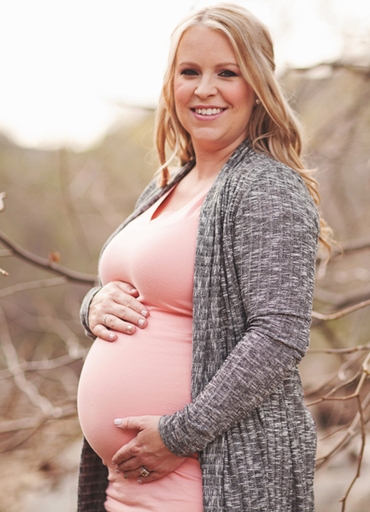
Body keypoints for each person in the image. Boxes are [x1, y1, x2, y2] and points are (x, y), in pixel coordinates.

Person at [75, 4, 330, 511]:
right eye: (189, 71)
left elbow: (279, 335)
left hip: (209, 481)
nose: (204, 88)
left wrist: (180, 434)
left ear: (257, 86)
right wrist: (93, 305)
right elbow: (141, 290)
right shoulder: (166, 184)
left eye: (227, 73)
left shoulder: (267, 187)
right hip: (125, 485)